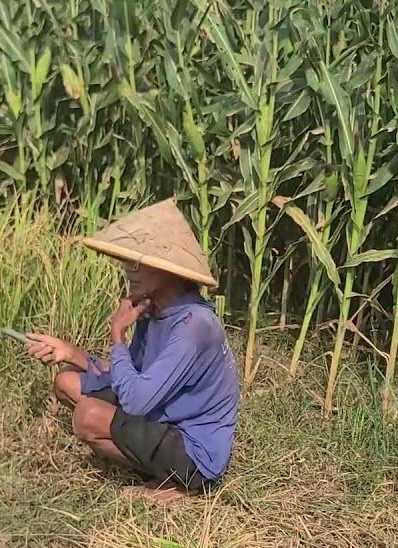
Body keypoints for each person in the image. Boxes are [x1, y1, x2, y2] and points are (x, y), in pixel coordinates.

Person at [21, 199, 239, 501]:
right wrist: (70, 353)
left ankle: (181, 485)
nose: (128, 271)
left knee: (88, 415)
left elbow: (135, 401)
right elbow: (129, 375)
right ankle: (151, 462)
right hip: (161, 414)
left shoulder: (193, 327)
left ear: (168, 270)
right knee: (66, 382)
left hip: (195, 452)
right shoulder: (156, 309)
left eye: (136, 263)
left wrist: (117, 334)